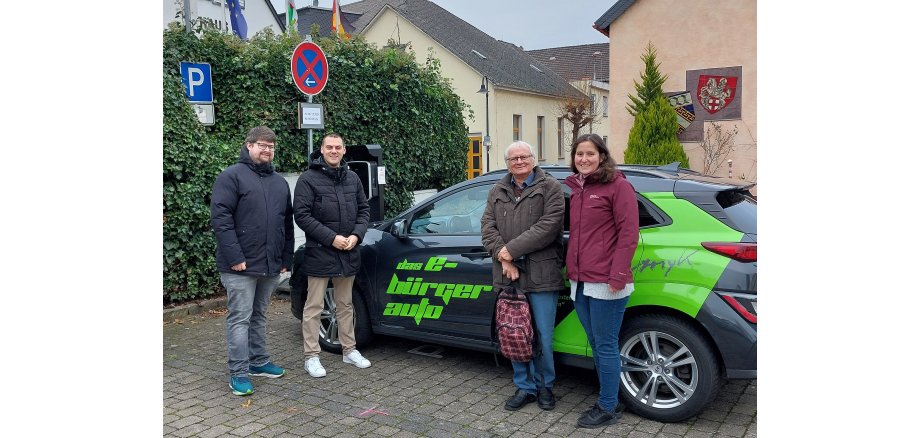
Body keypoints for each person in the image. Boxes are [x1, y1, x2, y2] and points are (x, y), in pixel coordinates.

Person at [481, 141, 565, 411]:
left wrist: (509, 251)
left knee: (542, 335)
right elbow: (487, 227)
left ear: (533, 158)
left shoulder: (550, 187)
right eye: (513, 158)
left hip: (542, 275)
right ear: (507, 163)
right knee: (513, 332)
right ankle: (524, 387)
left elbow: (549, 227)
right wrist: (504, 257)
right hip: (509, 277)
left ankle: (545, 387)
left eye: (524, 157)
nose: (519, 161)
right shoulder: (497, 190)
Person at [210, 126, 294, 396]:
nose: (266, 150)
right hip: (240, 266)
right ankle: (238, 372)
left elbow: (286, 224)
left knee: (259, 315)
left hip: (270, 264)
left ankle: (259, 362)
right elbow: (221, 220)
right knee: (240, 319)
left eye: (271, 146)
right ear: (248, 145)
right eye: (261, 145)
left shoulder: (279, 183)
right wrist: (235, 257)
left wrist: (285, 257)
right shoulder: (230, 176)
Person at [564, 133, 639, 428]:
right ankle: (611, 397)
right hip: (581, 280)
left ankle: (607, 406)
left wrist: (618, 274)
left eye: (590, 154)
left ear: (602, 156)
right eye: (579, 154)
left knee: (605, 345)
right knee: (596, 343)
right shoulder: (578, 190)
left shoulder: (617, 186)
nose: (584, 159)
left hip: (607, 282)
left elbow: (629, 234)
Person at [293, 133, 371, 378]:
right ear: (322, 149)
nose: (334, 151)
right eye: (329, 147)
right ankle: (311, 357)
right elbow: (302, 215)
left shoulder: (352, 178)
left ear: (344, 150)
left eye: (338, 147)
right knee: (314, 306)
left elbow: (364, 210)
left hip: (348, 252)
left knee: (345, 304)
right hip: (320, 253)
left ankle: (349, 350)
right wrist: (331, 238)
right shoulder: (308, 179)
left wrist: (357, 235)